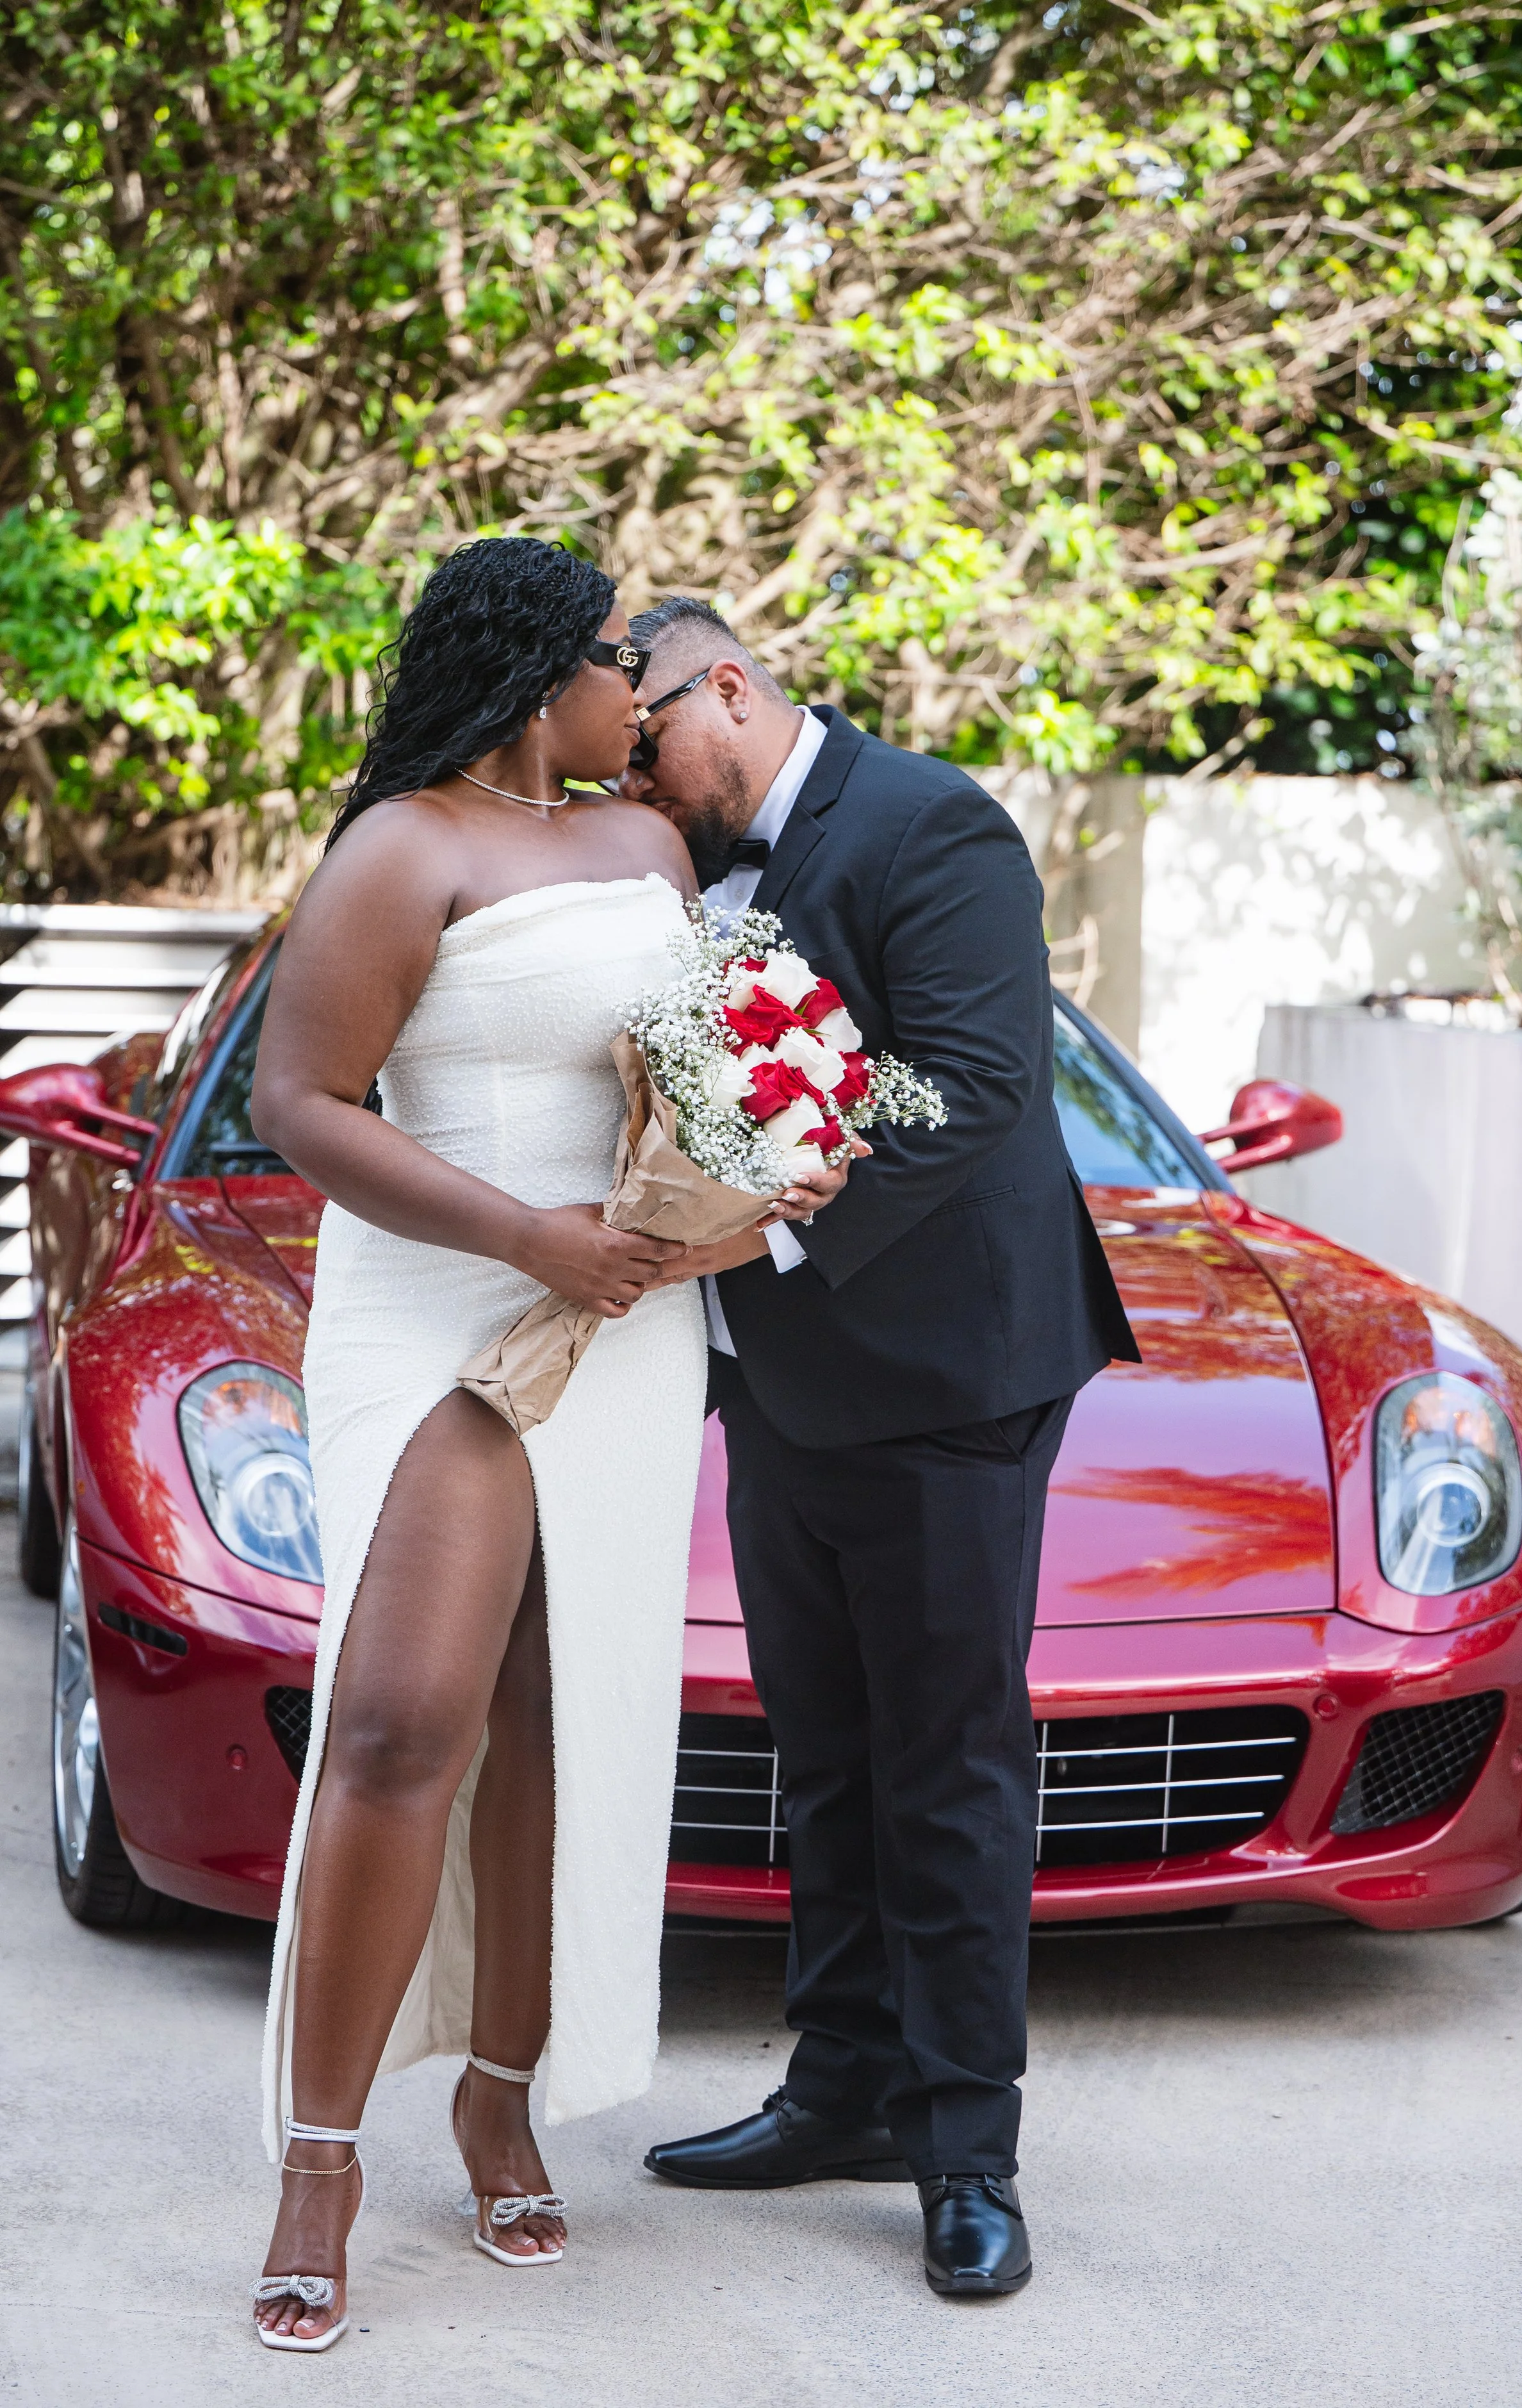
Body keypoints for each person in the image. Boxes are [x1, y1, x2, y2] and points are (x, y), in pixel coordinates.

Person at [247, 543, 846, 2352]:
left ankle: (500, 2092)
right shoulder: (398, 848)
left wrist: (781, 1162)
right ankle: (317, 2161)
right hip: (444, 1313)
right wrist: (529, 1238)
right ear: (535, 675)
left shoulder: (652, 851)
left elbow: (721, 1061)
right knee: (402, 1717)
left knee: (558, 1716)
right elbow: (298, 1104)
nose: (640, 696)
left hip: (625, 1322)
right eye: (614, 661)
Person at [623, 597, 1139, 2300]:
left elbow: (969, 1086)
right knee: (823, 1754)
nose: (634, 777)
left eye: (647, 744)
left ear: (731, 688)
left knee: (947, 1764)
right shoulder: (670, 864)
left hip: (945, 1379)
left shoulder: (934, 824)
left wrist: (759, 1216)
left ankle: (965, 2150)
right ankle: (838, 2085)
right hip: (776, 1382)